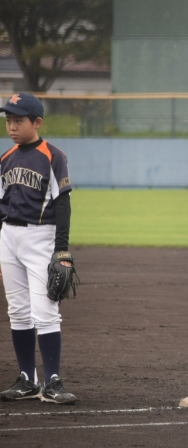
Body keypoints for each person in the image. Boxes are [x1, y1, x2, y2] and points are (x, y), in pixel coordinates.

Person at [0, 93, 78, 404]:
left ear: (37, 122)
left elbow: (63, 204)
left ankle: (53, 381)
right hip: (9, 236)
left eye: (18, 120)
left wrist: (61, 250)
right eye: (8, 120)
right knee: (18, 311)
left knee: (45, 311)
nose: (12, 126)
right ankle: (27, 380)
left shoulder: (53, 155)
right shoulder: (6, 158)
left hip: (40, 237)